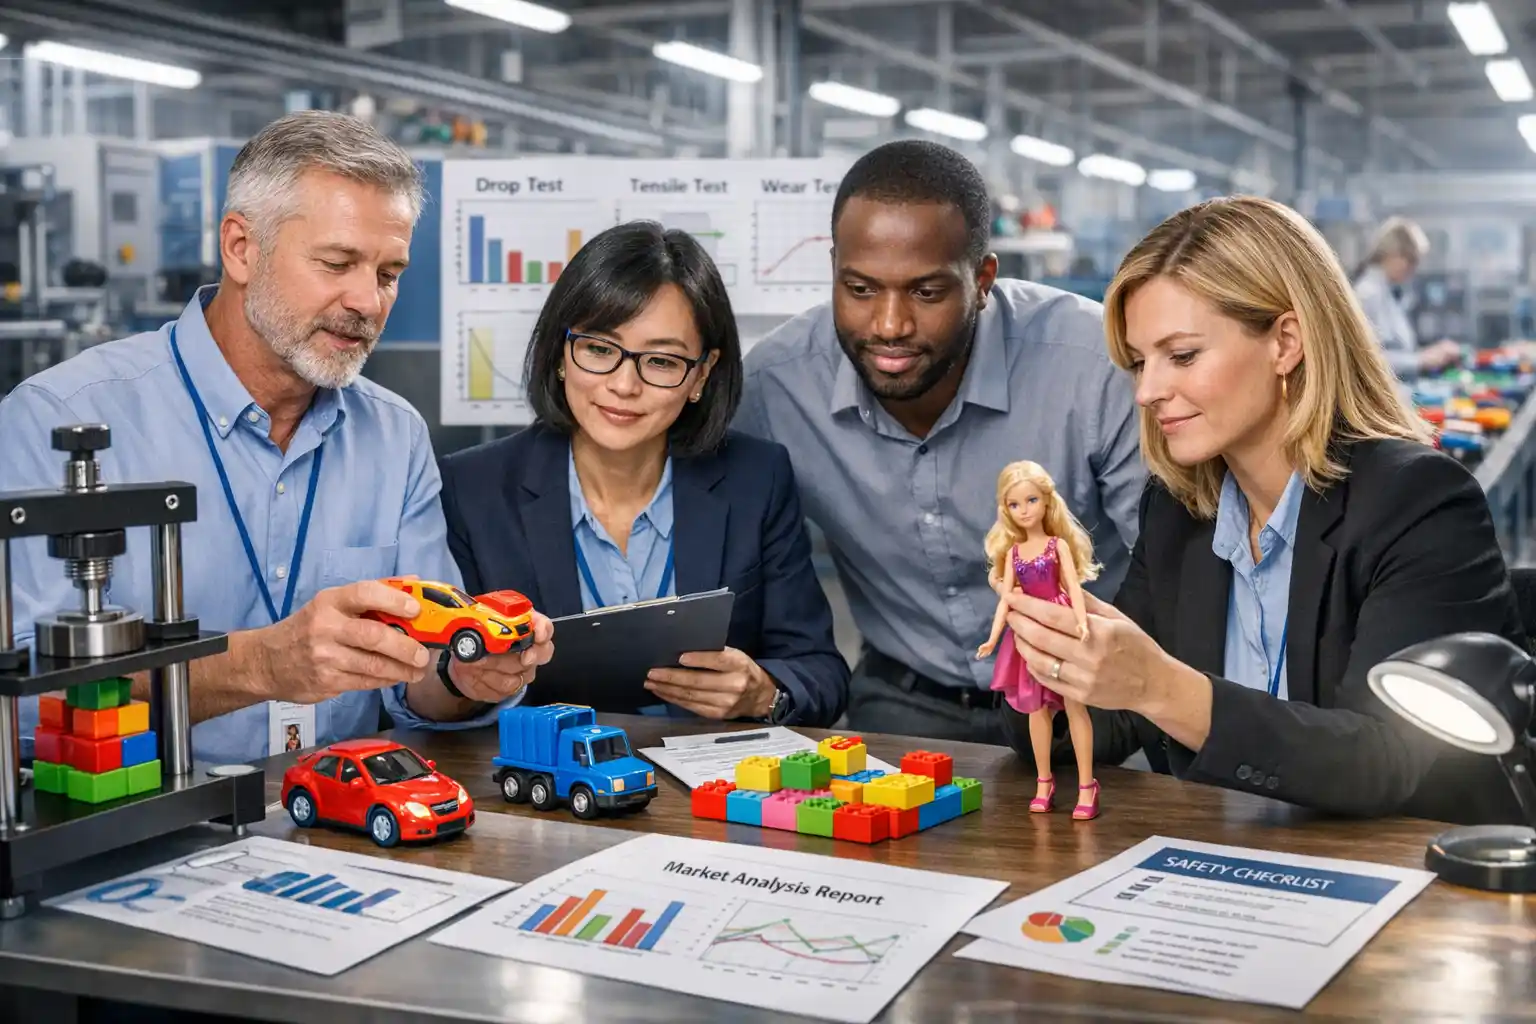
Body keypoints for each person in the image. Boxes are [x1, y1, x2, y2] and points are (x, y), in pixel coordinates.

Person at [0, 110, 553, 769]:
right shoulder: (56, 421)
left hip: (341, 816)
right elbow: (26, 705)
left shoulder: (394, 435)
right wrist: (259, 666)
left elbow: (419, 684)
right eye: (337, 262)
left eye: (387, 273)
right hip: (142, 820)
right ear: (241, 248)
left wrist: (465, 680)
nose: (368, 302)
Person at [998, 195, 1528, 824]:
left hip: (1407, 883)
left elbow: (1386, 760)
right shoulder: (1179, 511)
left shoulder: (1419, 503)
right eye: (1141, 362)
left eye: (1183, 355)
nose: (1146, 391)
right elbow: (1118, 722)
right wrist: (1048, 667)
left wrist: (1160, 686)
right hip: (1236, 868)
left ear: (1285, 342)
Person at [734, 139, 1143, 746]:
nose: (890, 324)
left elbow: (1176, 568)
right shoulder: (775, 389)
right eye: (861, 289)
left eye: (926, 293)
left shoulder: (1093, 367)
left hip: (1091, 700)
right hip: (903, 705)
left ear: (981, 280)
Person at [438, 221, 848, 727]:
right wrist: (466, 681)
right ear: (561, 354)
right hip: (548, 781)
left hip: (709, 790)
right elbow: (440, 683)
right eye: (599, 349)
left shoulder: (755, 480)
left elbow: (822, 673)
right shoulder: (473, 488)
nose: (624, 385)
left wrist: (765, 694)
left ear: (700, 374)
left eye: (660, 361)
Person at [1352, 215, 1461, 378]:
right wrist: (1420, 360)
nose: (1413, 268)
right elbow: (1364, 360)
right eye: (1410, 260)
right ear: (1391, 253)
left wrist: (1430, 354)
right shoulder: (1367, 295)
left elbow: (1397, 350)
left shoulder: (1389, 292)